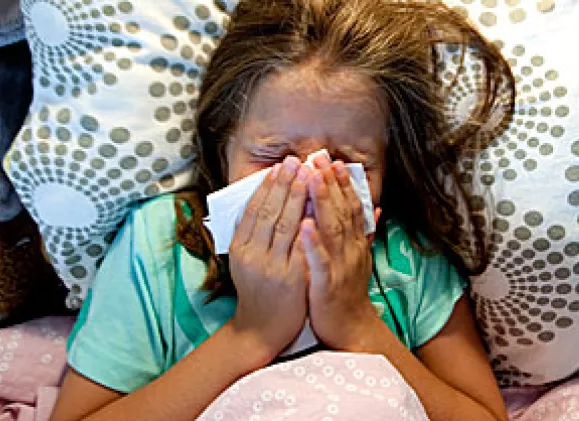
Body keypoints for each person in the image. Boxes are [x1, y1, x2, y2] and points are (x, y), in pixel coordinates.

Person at [51, 0, 514, 419]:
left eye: (345, 162)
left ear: (388, 167)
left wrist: (357, 326)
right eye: (274, 157)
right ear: (222, 146)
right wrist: (252, 334)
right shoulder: (158, 244)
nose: (308, 185)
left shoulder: (410, 259)